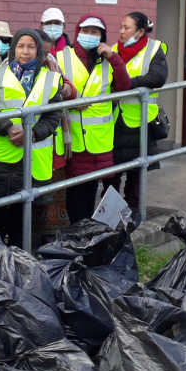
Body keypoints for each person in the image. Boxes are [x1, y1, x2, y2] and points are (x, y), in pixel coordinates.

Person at [0, 29, 62, 247]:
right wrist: (7, 128)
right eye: (20, 46)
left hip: (33, 162)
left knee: (22, 227)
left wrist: (32, 133)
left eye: (31, 47)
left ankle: (18, 271)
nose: (25, 51)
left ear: (39, 51)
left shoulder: (51, 79)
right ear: (13, 49)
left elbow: (53, 115)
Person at [58, 14, 132, 224]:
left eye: (95, 32)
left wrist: (114, 57)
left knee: (95, 190)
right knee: (75, 192)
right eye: (85, 31)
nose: (89, 35)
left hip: (100, 140)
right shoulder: (62, 56)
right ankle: (79, 234)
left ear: (102, 36)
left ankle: (93, 235)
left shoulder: (109, 59)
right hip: (72, 140)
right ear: (77, 32)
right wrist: (72, 99)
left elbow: (124, 86)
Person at [103, 12, 168, 226]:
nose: (121, 32)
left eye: (126, 28)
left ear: (140, 31)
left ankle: (133, 215)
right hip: (113, 120)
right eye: (120, 27)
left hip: (139, 122)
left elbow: (157, 78)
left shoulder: (155, 48)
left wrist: (127, 83)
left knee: (136, 172)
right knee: (111, 172)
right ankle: (109, 214)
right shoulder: (112, 50)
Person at [31, 30, 74, 237]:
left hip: (50, 143)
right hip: (24, 143)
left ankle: (49, 237)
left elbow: (71, 90)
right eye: (42, 53)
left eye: (48, 53)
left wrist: (65, 87)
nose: (45, 58)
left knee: (52, 192)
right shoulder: (14, 71)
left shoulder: (52, 69)